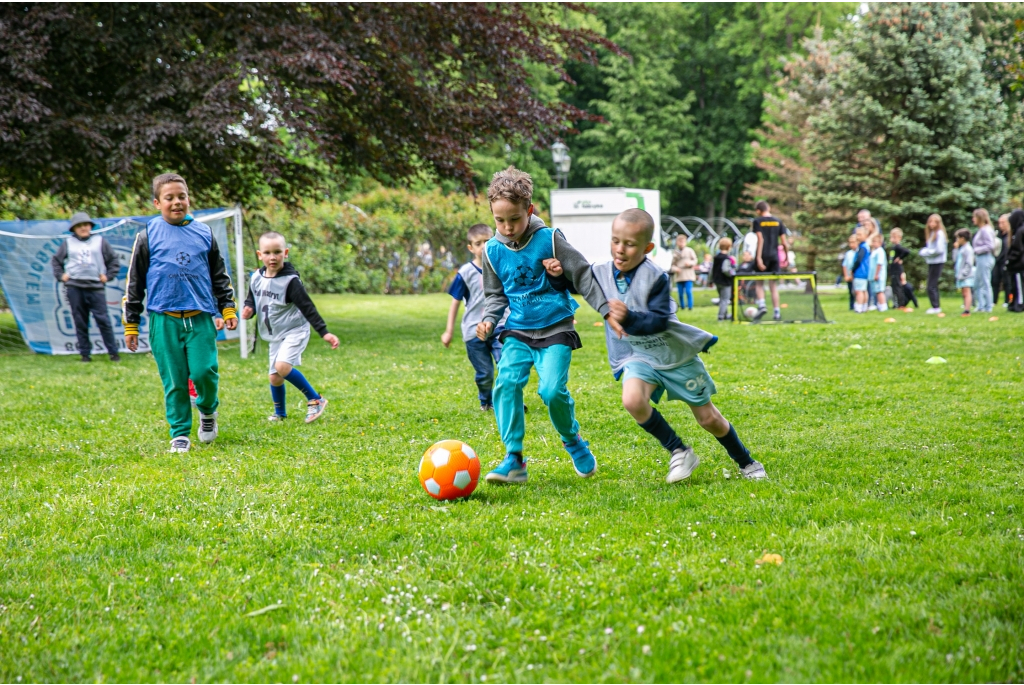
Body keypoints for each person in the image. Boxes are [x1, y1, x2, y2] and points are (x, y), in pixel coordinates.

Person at [590, 209, 765, 482]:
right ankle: (679, 450)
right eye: (615, 241)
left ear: (647, 247)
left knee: (709, 419)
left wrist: (629, 317)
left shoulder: (656, 276)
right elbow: (573, 278)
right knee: (632, 400)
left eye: (630, 244)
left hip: (674, 357)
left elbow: (659, 321)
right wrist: (555, 273)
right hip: (639, 357)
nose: (620, 250)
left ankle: (746, 461)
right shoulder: (600, 270)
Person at [475, 166, 624, 484]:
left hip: (556, 326)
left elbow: (581, 274)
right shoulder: (491, 250)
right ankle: (514, 460)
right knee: (506, 384)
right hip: (517, 329)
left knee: (551, 390)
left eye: (514, 219)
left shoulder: (550, 239)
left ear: (529, 210)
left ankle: (573, 441)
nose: (507, 227)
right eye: (500, 220)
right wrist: (489, 320)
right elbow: (494, 295)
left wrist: (604, 309)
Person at [122, 173, 238, 453]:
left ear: (188, 198)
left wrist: (228, 306)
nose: (177, 202)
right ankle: (180, 434)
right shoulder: (147, 236)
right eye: (169, 198)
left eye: (181, 196)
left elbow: (219, 276)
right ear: (157, 203)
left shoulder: (204, 233)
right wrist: (131, 325)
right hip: (164, 320)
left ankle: (208, 412)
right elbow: (134, 283)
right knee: (174, 380)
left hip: (200, 318)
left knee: (203, 372)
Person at [242, 231, 339, 422]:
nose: (272, 257)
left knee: (282, 366)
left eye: (277, 252)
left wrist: (324, 333)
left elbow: (308, 307)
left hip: (295, 330)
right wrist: (249, 309)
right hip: (275, 334)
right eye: (267, 253)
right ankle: (280, 414)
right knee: (274, 377)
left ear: (285, 253)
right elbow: (252, 298)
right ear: (259, 255)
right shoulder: (256, 277)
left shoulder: (290, 281)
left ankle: (315, 399)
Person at [441, 223, 509, 411]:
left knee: (506, 365)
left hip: (500, 326)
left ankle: (507, 400)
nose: (484, 247)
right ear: (471, 248)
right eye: (478, 243)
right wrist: (448, 331)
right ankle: (486, 401)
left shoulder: (502, 267)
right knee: (485, 373)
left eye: (488, 242)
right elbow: (455, 303)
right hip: (473, 331)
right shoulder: (465, 273)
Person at [50, 212, 121, 362]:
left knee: (103, 320)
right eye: (79, 226)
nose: (83, 228)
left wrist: (108, 276)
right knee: (80, 321)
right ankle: (85, 354)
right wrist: (61, 275)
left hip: (95, 286)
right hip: (75, 287)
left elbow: (113, 260)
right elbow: (56, 261)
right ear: (74, 228)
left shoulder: (100, 241)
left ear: (90, 226)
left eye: (85, 225)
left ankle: (113, 353)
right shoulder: (68, 243)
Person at [750, 201, 790, 321]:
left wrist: (758, 258)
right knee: (773, 285)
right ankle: (777, 312)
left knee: (759, 282)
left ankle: (762, 304)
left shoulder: (757, 221)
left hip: (762, 254)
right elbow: (784, 242)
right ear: (769, 208)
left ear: (758, 211)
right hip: (774, 255)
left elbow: (760, 239)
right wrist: (786, 256)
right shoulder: (778, 221)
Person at [919, 213, 948, 314]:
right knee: (932, 284)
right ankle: (935, 306)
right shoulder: (932, 234)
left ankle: (936, 307)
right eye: (930, 222)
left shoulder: (939, 234)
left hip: (937, 261)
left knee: (931, 285)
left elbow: (939, 250)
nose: (932, 224)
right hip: (932, 261)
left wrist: (926, 252)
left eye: (934, 222)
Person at [971, 209, 996, 313]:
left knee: (985, 282)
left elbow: (991, 246)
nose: (973, 219)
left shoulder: (986, 230)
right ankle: (981, 305)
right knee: (977, 283)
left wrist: (976, 250)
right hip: (980, 258)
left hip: (985, 258)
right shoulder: (981, 230)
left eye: (975, 217)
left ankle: (988, 306)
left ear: (980, 218)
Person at [888, 228, 919, 310]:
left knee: (898, 287)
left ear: (899, 238)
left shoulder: (898, 247)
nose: (892, 239)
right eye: (891, 237)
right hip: (893, 270)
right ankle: (896, 303)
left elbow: (906, 251)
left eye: (894, 237)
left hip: (897, 270)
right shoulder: (893, 247)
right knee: (894, 288)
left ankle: (901, 304)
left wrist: (900, 258)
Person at [952, 228, 975, 317]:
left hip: (966, 275)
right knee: (963, 293)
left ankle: (967, 310)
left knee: (967, 292)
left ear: (962, 238)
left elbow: (969, 263)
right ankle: (965, 307)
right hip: (960, 275)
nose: (957, 240)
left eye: (958, 238)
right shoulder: (961, 249)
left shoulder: (968, 249)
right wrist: (955, 249)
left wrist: (964, 273)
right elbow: (955, 259)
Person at [671, 234, 697, 311]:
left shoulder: (689, 251)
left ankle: (690, 307)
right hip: (679, 275)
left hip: (688, 274)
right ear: (677, 242)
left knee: (688, 292)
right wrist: (676, 269)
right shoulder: (675, 253)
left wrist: (690, 263)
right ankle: (682, 306)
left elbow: (695, 260)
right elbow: (672, 265)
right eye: (680, 242)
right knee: (680, 293)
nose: (681, 243)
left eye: (683, 242)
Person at [711, 237, 735, 321]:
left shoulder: (716, 257)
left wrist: (710, 280)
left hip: (717, 281)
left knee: (722, 298)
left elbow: (712, 270)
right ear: (729, 247)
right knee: (725, 299)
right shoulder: (726, 258)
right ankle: (721, 316)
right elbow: (725, 269)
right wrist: (731, 274)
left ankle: (725, 315)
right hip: (725, 282)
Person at [1005, 208, 1024, 313]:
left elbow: (1017, 248)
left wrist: (1009, 260)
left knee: (1018, 285)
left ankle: (1019, 304)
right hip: (1019, 263)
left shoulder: (1020, 231)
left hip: (1019, 265)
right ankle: (1014, 303)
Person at [994, 213, 1012, 307]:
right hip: (997, 260)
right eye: (999, 222)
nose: (1001, 225)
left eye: (1003, 222)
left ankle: (1007, 300)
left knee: (1007, 282)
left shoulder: (1010, 234)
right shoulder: (998, 234)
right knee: (995, 280)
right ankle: (994, 300)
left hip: (1006, 260)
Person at [851, 228, 871, 313]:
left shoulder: (862, 247)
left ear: (865, 236)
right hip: (865, 272)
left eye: (860, 234)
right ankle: (864, 306)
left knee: (859, 291)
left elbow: (859, 260)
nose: (858, 236)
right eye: (857, 234)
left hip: (860, 272)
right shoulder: (866, 246)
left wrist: (853, 269)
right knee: (864, 290)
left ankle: (859, 307)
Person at [868, 232, 888, 312]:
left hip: (878, 275)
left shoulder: (880, 251)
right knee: (876, 291)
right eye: (872, 241)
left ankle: (883, 306)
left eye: (875, 241)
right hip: (873, 275)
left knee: (880, 291)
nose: (873, 243)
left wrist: (876, 274)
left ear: (880, 242)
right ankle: (879, 305)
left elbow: (879, 263)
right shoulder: (874, 251)